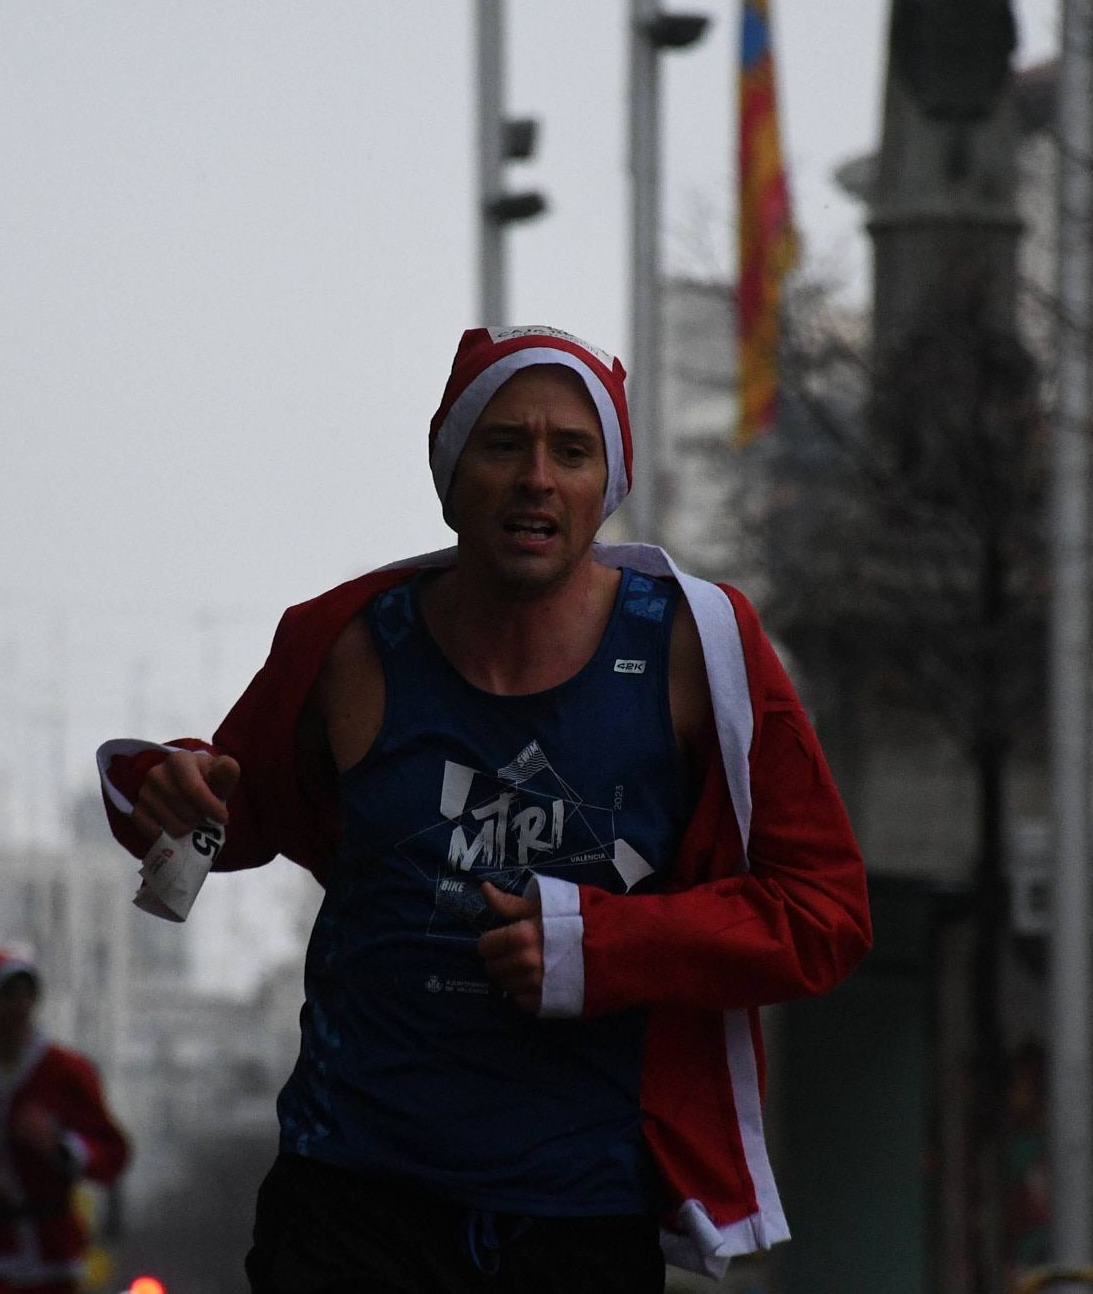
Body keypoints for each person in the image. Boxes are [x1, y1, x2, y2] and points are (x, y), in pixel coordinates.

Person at [99, 325, 870, 1292]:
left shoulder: (696, 649)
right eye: (504, 444)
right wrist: (165, 779)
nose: (536, 477)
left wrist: (604, 945)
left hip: (579, 1212)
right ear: (451, 471)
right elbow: (214, 823)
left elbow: (825, 913)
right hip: (352, 1196)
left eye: (571, 450)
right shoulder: (344, 644)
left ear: (610, 481)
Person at [0, 945, 132, 1294]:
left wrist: (61, 1147)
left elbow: (112, 1152)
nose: (17, 1006)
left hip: (50, 1254)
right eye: (6, 995)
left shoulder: (66, 1070)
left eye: (25, 994)